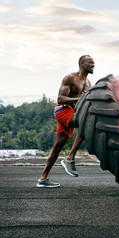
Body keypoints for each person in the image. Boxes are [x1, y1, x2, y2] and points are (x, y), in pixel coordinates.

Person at [36, 55, 95, 188]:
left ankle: (42, 179)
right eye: (90, 62)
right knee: (86, 123)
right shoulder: (71, 78)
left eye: (94, 63)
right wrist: (79, 99)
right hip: (62, 110)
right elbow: (60, 99)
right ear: (82, 64)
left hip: (72, 113)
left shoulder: (89, 83)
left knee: (57, 148)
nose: (93, 65)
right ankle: (70, 158)